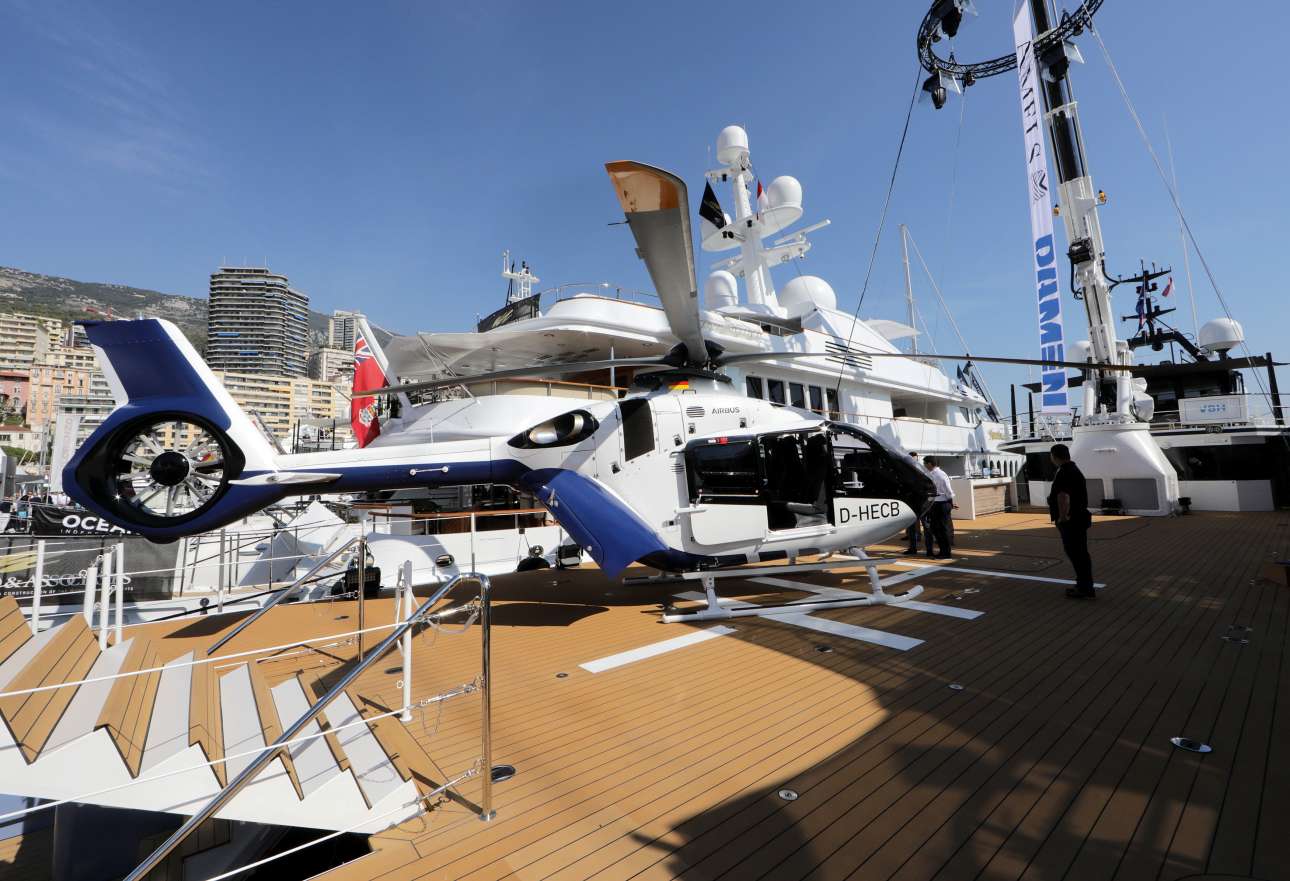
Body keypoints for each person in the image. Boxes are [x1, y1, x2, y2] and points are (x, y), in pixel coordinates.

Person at [1047, 443, 1094, 599]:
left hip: (1071, 521)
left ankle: (1084, 588)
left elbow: (1063, 497)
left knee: (1076, 554)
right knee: (1081, 554)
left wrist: (1063, 517)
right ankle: (1084, 585)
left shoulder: (1065, 472)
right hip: (1079, 519)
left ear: (1054, 456)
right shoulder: (1073, 469)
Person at [923, 456, 955, 559]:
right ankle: (942, 551)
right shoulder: (931, 474)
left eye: (925, 463)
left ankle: (946, 552)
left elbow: (948, 490)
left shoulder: (940, 474)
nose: (924, 465)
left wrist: (950, 502)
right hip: (935, 504)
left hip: (942, 504)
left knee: (943, 529)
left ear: (929, 464)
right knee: (936, 529)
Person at [905, 452, 925, 554]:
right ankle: (913, 546)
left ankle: (926, 547)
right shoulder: (907, 470)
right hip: (912, 501)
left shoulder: (921, 470)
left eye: (915, 459)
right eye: (912, 459)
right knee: (912, 524)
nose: (913, 461)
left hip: (920, 501)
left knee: (924, 524)